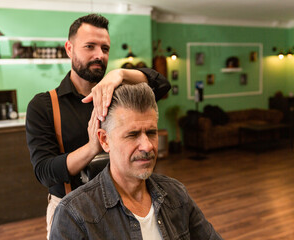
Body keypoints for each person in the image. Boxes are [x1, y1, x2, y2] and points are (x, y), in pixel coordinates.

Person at [25, 14, 170, 239]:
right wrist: (93, 147)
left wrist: (119, 74)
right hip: (69, 209)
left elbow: (161, 84)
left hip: (125, 204)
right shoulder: (44, 105)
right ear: (69, 48)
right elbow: (45, 172)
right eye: (89, 46)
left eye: (105, 48)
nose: (99, 55)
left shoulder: (118, 96)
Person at [50, 83, 223, 240]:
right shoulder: (74, 214)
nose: (147, 146)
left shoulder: (176, 194)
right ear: (104, 140)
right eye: (132, 135)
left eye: (151, 133)